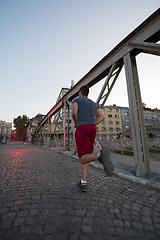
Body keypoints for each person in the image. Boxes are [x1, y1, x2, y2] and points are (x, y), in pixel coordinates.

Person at [72, 85, 114, 192]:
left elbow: (74, 112)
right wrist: (93, 123)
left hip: (82, 128)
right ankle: (84, 182)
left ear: (80, 93)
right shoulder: (93, 103)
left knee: (82, 158)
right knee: (87, 156)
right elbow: (102, 116)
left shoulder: (76, 100)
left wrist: (76, 122)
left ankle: (100, 155)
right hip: (92, 128)